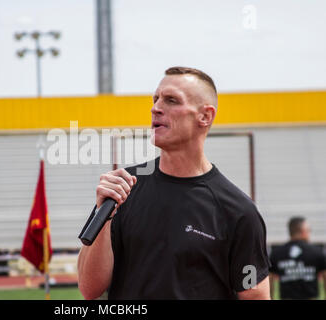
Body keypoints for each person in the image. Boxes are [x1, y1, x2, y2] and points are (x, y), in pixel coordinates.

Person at [78, 66, 271, 300]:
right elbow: (89, 289)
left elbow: (254, 296)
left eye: (171, 100)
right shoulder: (122, 189)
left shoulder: (238, 211)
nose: (156, 108)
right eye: (155, 99)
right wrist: (104, 215)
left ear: (205, 116)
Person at [269, 217, 326, 299]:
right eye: (309, 230)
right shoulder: (316, 252)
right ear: (303, 231)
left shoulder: (277, 253)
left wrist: (271, 297)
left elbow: (270, 280)